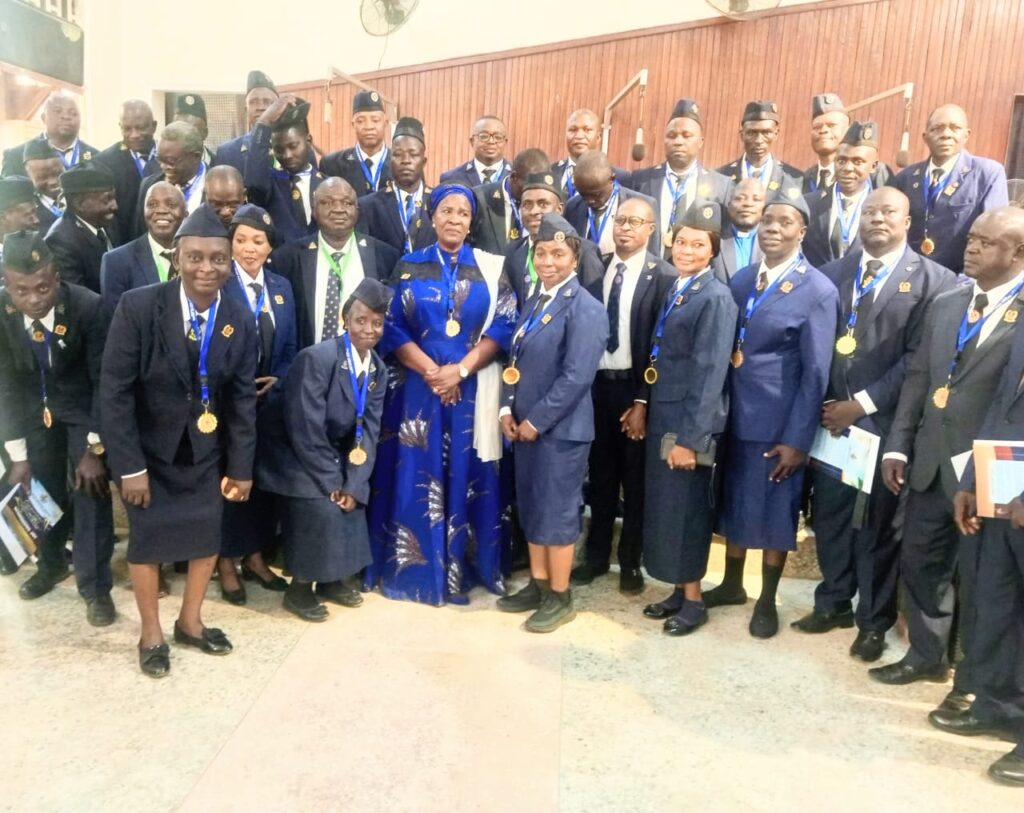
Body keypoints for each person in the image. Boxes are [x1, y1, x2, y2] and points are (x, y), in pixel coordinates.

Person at [792, 188, 956, 661]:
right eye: (869, 211)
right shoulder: (832, 273)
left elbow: (918, 359)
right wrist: (831, 403)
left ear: (908, 221)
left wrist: (860, 404)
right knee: (830, 517)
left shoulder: (935, 281)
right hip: (831, 422)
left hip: (884, 424)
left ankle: (872, 621)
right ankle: (832, 602)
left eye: (888, 212)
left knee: (875, 528)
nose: (877, 219)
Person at [871, 207, 1024, 709]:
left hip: (988, 473)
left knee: (983, 583)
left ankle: (973, 681)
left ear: (1018, 253)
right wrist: (899, 443)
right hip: (931, 461)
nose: (971, 248)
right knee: (922, 562)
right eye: (972, 238)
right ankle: (926, 655)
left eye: (986, 242)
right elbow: (920, 378)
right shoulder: (949, 301)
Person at [100, 204, 258, 678]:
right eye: (195, 258)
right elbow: (114, 392)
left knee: (206, 536)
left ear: (229, 262)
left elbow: (242, 399)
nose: (206, 268)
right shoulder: (139, 307)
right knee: (148, 544)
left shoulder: (238, 317)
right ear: (177, 258)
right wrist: (129, 467)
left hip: (206, 454)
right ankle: (151, 634)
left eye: (218, 259)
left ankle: (190, 622)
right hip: (149, 453)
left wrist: (241, 467)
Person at [366, 183, 517, 606]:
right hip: (418, 392)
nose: (454, 219)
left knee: (472, 476)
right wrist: (434, 373)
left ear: (472, 222)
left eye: (462, 213)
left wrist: (460, 370)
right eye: (446, 211)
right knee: (418, 477)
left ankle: (468, 568)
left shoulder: (490, 267)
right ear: (432, 217)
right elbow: (391, 326)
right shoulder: (408, 265)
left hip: (472, 389)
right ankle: (419, 572)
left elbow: (505, 323)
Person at [707, 195, 839, 638]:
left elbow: (816, 373)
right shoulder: (744, 278)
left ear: (802, 232)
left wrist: (798, 439)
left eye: (785, 222)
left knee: (775, 512)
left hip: (778, 424)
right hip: (734, 417)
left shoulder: (817, 290)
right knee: (735, 503)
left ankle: (766, 599)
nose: (773, 228)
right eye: (767, 220)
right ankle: (731, 584)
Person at [496, 213, 608, 631]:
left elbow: (577, 377)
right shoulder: (534, 300)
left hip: (561, 433)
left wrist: (536, 421)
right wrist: (506, 410)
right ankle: (539, 584)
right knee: (532, 507)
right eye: (541, 253)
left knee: (557, 513)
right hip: (525, 428)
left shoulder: (586, 308)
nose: (548, 261)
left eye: (558, 254)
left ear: (574, 258)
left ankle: (561, 596)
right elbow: (514, 362)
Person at [258, 279, 391, 621]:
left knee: (353, 500)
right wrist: (333, 482)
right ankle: (300, 590)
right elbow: (304, 427)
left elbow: (369, 431)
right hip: (291, 454)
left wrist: (353, 483)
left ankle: (332, 581)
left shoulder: (377, 369)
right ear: (345, 319)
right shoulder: (317, 358)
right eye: (361, 320)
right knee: (323, 506)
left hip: (329, 452)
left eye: (377, 323)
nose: (369, 330)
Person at [0, 231, 115, 622]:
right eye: (21, 291)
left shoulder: (88, 306)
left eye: (42, 288)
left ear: (56, 278)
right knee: (39, 490)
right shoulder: (2, 312)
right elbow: (5, 384)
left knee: (90, 490)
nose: (33, 299)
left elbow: (103, 381)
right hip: (35, 413)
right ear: (7, 285)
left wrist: (94, 449)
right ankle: (50, 565)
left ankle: (96, 588)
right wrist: (17, 455)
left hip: (83, 410)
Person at [639, 203, 738, 635]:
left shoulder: (715, 297)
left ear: (712, 251)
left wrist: (690, 440)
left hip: (687, 425)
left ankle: (694, 602)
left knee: (686, 514)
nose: (687, 250)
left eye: (698, 245)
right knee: (668, 509)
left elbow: (710, 373)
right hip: (666, 415)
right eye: (681, 242)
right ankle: (680, 590)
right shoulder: (679, 287)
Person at [571, 197, 675, 594]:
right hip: (598, 388)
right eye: (620, 220)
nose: (625, 228)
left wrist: (643, 401)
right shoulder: (596, 269)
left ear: (651, 229)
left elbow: (662, 345)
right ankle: (596, 557)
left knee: (635, 482)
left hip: (636, 391)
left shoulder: (662, 276)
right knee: (600, 478)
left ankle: (630, 561)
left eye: (635, 222)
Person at [950, 276, 1024, 785]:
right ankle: (1000, 707)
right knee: (999, 605)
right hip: (1003, 495)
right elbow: (1002, 401)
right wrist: (973, 480)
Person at [217, 204, 297, 603]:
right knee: (232, 482)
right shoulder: (219, 283)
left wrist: (279, 379)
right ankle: (225, 562)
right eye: (241, 240)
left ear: (270, 247)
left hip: (268, 406)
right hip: (228, 405)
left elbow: (291, 345)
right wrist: (239, 385)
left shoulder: (281, 287)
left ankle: (255, 557)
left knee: (262, 485)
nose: (249, 249)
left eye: (258, 241)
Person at [271, 177, 400, 349]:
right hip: (308, 360)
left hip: (367, 361)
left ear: (357, 210)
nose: (338, 209)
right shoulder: (287, 258)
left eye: (347, 203)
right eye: (327, 202)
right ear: (314, 210)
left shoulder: (385, 256)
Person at [893, 104, 1008, 273]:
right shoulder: (906, 177)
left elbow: (994, 233)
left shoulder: (987, 174)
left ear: (966, 135)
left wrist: (969, 280)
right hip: (909, 276)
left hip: (959, 277)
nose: (946, 134)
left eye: (955, 128)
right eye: (937, 128)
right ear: (925, 137)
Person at [626, 98, 731, 248]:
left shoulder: (721, 186)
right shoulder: (641, 180)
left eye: (686, 136)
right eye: (671, 136)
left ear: (700, 141)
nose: (678, 142)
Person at [502, 171, 605, 306]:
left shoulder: (584, 252)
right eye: (527, 204)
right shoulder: (512, 251)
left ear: (559, 209)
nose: (534, 211)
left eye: (543, 204)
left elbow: (593, 309)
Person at [244, 94, 325, 245]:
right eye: (279, 149)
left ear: (308, 141)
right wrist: (264, 122)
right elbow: (254, 181)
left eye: (293, 146)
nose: (287, 155)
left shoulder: (327, 184)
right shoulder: (271, 184)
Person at [100, 182, 186, 317]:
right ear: (143, 211)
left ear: (186, 213)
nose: (161, 210)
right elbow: (115, 321)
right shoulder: (116, 262)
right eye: (152, 204)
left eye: (171, 205)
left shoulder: (200, 257)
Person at [802, 121, 881, 268]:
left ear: (873, 166)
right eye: (841, 160)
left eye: (858, 162)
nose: (848, 168)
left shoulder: (882, 210)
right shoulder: (809, 203)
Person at [356, 117, 436, 254]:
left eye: (413, 154)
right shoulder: (369, 206)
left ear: (424, 161)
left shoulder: (439, 203)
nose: (406, 161)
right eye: (398, 154)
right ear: (390, 159)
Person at [564, 150, 659, 255]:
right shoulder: (573, 206)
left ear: (612, 179)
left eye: (597, 194)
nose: (590, 201)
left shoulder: (643, 205)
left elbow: (652, 254)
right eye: (583, 195)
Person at [43, 163, 118, 293]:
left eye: (114, 198)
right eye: (106, 200)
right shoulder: (59, 242)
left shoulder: (108, 222)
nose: (115, 206)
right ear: (79, 204)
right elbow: (78, 297)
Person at [95, 100, 159, 245]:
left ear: (154, 126)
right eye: (127, 129)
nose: (134, 135)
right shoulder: (104, 162)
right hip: (123, 244)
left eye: (140, 128)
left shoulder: (168, 157)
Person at [469, 148, 549, 256]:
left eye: (541, 184)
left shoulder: (549, 204)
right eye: (530, 183)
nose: (535, 190)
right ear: (514, 177)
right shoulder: (479, 199)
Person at [134, 122, 207, 236]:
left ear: (195, 157)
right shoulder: (149, 185)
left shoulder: (218, 185)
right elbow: (140, 234)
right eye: (160, 160)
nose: (163, 167)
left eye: (171, 161)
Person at [716, 100, 803, 196]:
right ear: (742, 135)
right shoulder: (721, 176)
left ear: (776, 134)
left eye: (766, 133)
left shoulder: (795, 179)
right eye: (752, 133)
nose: (758, 140)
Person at [3, 91, 97, 177]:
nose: (66, 116)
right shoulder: (15, 156)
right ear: (43, 118)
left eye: (73, 113)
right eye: (58, 111)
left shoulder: (96, 156)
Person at [319, 90, 393, 196]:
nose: (369, 127)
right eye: (360, 121)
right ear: (353, 124)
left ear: (385, 123)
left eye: (375, 120)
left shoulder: (400, 164)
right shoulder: (332, 164)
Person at [213, 70, 279, 174]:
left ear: (278, 108)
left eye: (267, 102)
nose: (260, 107)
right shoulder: (227, 152)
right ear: (246, 110)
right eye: (253, 102)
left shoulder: (292, 148)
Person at [712, 178, 765, 282]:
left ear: (765, 207)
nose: (748, 204)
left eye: (756, 199)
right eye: (740, 198)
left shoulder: (775, 242)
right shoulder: (713, 239)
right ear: (729, 205)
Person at [440, 115, 511, 187]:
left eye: (498, 137)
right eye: (484, 136)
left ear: (505, 142)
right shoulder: (451, 178)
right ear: (472, 141)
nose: (491, 141)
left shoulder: (516, 176)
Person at [23, 138, 66, 233]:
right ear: (29, 175)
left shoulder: (80, 198)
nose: (53, 182)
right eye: (42, 177)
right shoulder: (27, 213)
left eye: (58, 173)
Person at [0, 177, 40, 262]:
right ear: (3, 217)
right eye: (28, 215)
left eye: (35, 213)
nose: (36, 220)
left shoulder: (40, 247)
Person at [172, 93, 215, 167]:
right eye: (180, 130)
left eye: (192, 132)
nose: (186, 137)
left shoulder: (219, 163)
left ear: (205, 133)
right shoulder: (160, 166)